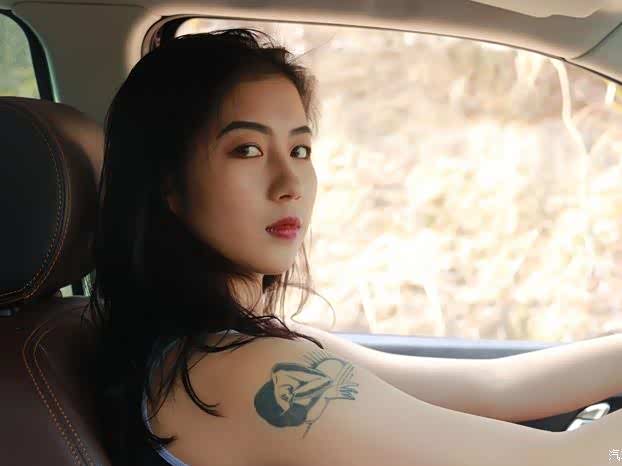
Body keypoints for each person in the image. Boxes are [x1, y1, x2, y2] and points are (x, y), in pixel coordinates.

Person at [85, 28, 618, 466]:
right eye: (247, 150)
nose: (289, 183)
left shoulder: (224, 347)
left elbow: (494, 387)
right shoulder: (238, 371)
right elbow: (571, 461)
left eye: (300, 149)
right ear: (168, 184)